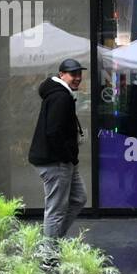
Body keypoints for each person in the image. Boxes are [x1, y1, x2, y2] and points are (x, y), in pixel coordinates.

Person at [28, 58, 86, 240]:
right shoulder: (61, 97)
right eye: (73, 74)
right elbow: (53, 132)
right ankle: (49, 255)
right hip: (57, 162)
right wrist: (66, 156)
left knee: (79, 198)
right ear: (62, 75)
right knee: (56, 210)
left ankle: (54, 240)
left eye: (79, 74)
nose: (77, 77)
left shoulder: (61, 94)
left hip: (63, 160)